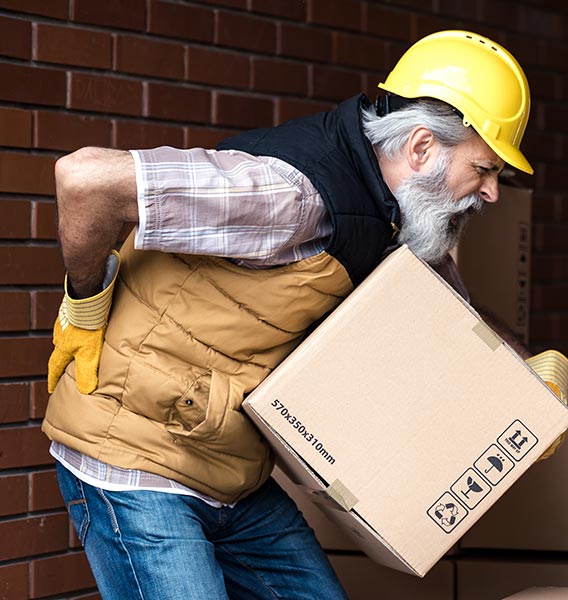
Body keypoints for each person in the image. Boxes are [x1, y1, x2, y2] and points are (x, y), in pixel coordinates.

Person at [43, 30, 533, 599]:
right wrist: (84, 304)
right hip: (132, 457)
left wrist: (525, 375)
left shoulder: (395, 211)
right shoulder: (289, 197)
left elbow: (448, 310)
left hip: (227, 466)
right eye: (485, 169)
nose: (492, 193)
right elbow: (83, 181)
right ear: (422, 147)